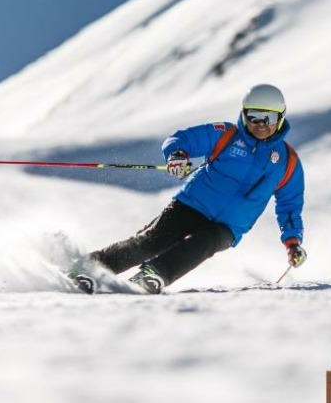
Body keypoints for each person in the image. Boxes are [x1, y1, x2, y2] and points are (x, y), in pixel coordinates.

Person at [69, 83, 306, 294]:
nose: (261, 125)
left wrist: (293, 242)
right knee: (151, 241)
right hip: (192, 204)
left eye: (269, 118)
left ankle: (154, 274)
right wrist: (178, 155)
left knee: (205, 243)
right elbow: (183, 139)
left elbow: (289, 207)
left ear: (280, 118)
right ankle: (88, 268)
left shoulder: (288, 162)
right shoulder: (227, 135)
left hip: (229, 226)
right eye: (254, 117)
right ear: (244, 115)